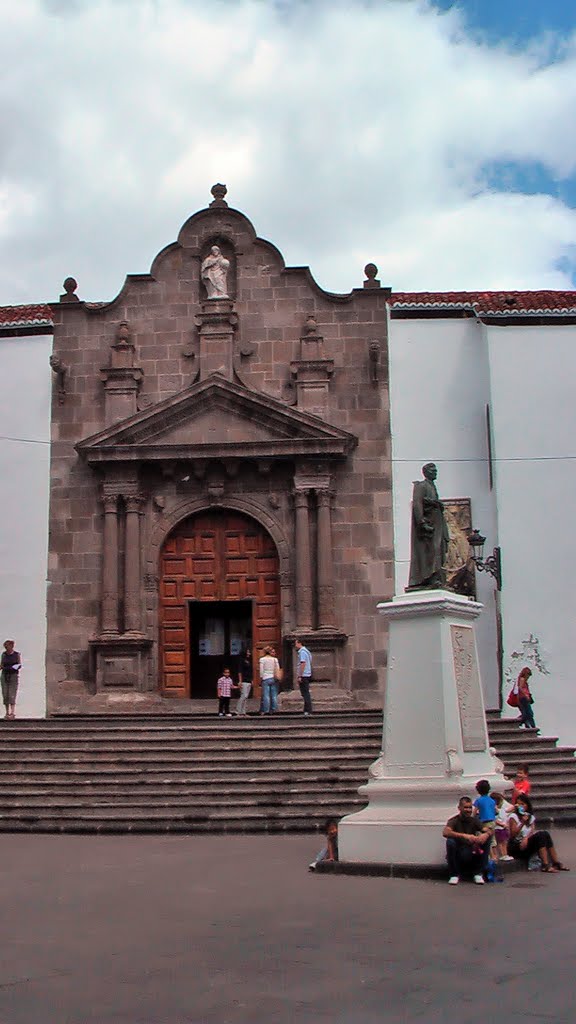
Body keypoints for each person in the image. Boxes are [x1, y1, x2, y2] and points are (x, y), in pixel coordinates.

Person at [407, 462, 450, 590]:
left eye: (436, 470)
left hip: (438, 523)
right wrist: (422, 522)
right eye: (432, 470)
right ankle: (429, 577)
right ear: (425, 472)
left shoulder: (432, 486)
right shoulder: (421, 486)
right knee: (432, 550)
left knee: (439, 548)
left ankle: (436, 576)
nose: (435, 472)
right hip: (430, 524)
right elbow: (417, 505)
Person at [507, 795, 569, 871]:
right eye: (519, 804)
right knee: (540, 836)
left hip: (526, 842)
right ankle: (545, 865)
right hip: (517, 846)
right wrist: (522, 822)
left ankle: (556, 863)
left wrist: (526, 838)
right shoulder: (513, 817)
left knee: (544, 834)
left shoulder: (530, 817)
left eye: (523, 804)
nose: (521, 806)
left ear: (527, 805)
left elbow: (531, 831)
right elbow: (513, 834)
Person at [442, 796, 492, 884]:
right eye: (465, 807)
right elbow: (446, 832)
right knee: (450, 842)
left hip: (472, 851)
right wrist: (465, 836)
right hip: (459, 852)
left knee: (487, 839)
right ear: (459, 808)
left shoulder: (475, 821)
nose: (468, 810)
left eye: (470, 807)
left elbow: (488, 830)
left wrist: (485, 835)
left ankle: (478, 873)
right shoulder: (454, 820)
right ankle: (454, 875)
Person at [1, 639, 21, 720]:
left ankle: (12, 712)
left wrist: (13, 667)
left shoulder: (16, 654)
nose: (6, 648)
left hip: (13, 675)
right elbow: (1, 664)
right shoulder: (4, 654)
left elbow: (19, 665)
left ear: (11, 646)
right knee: (5, 693)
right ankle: (7, 712)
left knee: (12, 693)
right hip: (5, 675)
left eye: (8, 646)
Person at [492, 792, 515, 861]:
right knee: (500, 842)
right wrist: (501, 824)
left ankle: (505, 854)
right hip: (498, 828)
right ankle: (502, 854)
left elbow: (509, 809)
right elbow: (495, 820)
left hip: (503, 827)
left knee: (504, 842)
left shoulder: (502, 809)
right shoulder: (494, 810)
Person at [258, 646, 280, 715]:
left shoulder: (262, 659)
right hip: (273, 678)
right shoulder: (275, 659)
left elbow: (261, 670)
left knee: (266, 695)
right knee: (274, 695)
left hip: (266, 678)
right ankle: (274, 709)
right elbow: (277, 668)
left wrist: (261, 677)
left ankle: (266, 710)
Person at [295, 639, 313, 716]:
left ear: (300, 643)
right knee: (306, 692)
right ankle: (306, 710)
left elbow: (303, 663)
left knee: (305, 693)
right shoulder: (307, 652)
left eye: (296, 643)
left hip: (304, 674)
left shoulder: (302, 652)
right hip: (307, 674)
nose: (295, 645)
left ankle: (308, 710)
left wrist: (300, 675)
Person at [235, 647, 253, 716]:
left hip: (248, 680)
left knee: (246, 696)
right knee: (243, 696)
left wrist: (251, 680)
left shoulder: (248, 661)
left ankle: (243, 712)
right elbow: (240, 671)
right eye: (248, 652)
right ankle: (238, 711)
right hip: (244, 680)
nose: (249, 653)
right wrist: (240, 681)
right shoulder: (241, 661)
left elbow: (250, 671)